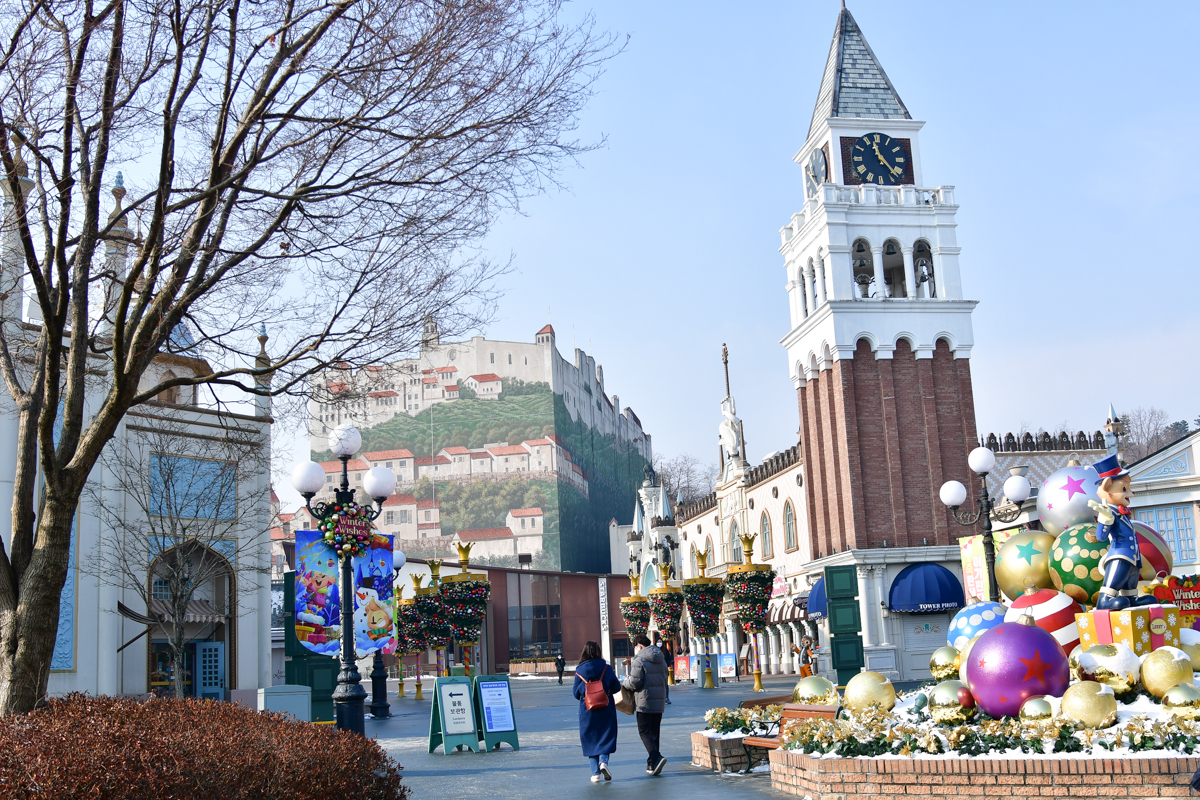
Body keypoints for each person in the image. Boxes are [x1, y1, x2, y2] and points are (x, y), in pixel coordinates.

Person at [572, 641, 620, 783]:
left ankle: (595, 774)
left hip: (588, 710)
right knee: (606, 735)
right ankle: (603, 761)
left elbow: (576, 694)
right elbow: (617, 687)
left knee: (590, 739)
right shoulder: (607, 668)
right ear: (599, 652)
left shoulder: (579, 671)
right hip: (606, 708)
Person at [622, 634, 668, 776]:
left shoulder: (639, 660)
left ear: (639, 646)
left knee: (644, 731)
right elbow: (665, 677)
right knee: (655, 732)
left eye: (635, 647)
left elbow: (635, 682)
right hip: (659, 701)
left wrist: (625, 682)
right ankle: (652, 764)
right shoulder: (660, 658)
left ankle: (656, 757)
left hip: (644, 701)